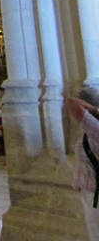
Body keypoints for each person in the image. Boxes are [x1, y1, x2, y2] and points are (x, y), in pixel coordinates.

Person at [66, 89, 99, 241]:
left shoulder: (95, 129)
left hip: (94, 194)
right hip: (89, 191)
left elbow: (71, 102)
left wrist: (94, 109)